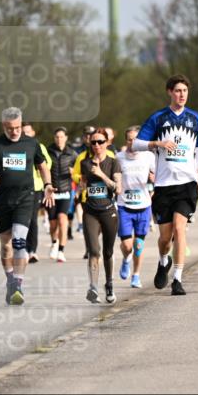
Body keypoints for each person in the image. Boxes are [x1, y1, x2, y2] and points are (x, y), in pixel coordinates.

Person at [131, 74, 198, 296]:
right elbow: (136, 143)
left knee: (179, 228)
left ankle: (178, 279)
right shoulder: (158, 118)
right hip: (164, 185)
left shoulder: (195, 118)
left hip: (187, 184)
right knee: (165, 238)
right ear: (169, 92)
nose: (181, 94)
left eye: (184, 91)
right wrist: (158, 143)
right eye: (177, 91)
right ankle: (164, 260)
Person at [0, 108, 53, 306]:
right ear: (3, 127)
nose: (15, 131)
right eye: (10, 129)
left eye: (18, 127)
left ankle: (18, 284)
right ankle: (10, 279)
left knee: (18, 242)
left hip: (25, 198)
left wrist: (48, 185)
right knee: (6, 246)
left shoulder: (31, 143)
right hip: (1, 200)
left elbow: (42, 166)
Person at [79, 129, 122, 303]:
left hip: (109, 211)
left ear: (107, 143)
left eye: (100, 142)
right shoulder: (85, 163)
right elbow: (83, 185)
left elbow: (117, 188)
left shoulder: (113, 163)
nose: (97, 145)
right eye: (93, 142)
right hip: (90, 211)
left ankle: (109, 284)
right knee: (93, 251)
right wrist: (81, 190)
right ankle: (93, 287)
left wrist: (101, 174)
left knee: (108, 251)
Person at [116, 126, 155, 288]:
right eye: (130, 139)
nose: (133, 142)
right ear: (126, 141)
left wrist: (153, 178)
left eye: (136, 139)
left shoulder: (148, 157)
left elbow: (157, 175)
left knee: (138, 245)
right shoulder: (118, 158)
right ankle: (126, 259)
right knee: (127, 245)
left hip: (144, 205)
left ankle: (136, 275)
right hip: (124, 205)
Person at [47, 127, 78, 263]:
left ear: (66, 138)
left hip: (65, 191)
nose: (59, 139)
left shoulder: (72, 154)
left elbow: (79, 171)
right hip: (52, 193)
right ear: (54, 138)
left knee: (62, 219)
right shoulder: (48, 152)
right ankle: (54, 242)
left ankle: (61, 250)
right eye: (57, 137)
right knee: (53, 223)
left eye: (61, 137)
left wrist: (74, 174)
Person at [22, 122, 52, 263]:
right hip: (20, 188)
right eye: (24, 132)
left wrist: (36, 165)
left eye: (28, 131)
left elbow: (47, 164)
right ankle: (21, 249)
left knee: (32, 219)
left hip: (36, 187)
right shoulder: (17, 147)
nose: (26, 134)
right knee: (21, 219)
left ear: (33, 133)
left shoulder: (39, 147)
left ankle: (32, 250)